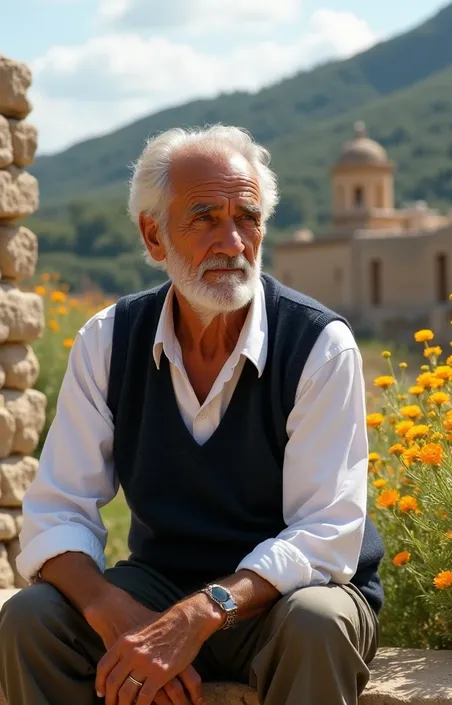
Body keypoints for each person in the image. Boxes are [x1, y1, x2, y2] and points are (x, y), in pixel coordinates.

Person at [0, 125, 384, 705]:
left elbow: (324, 535)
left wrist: (200, 616)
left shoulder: (319, 344)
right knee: (33, 620)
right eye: (204, 218)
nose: (232, 242)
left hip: (286, 598)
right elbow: (56, 512)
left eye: (247, 218)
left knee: (318, 622)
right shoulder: (109, 341)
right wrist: (112, 611)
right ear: (154, 236)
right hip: (159, 583)